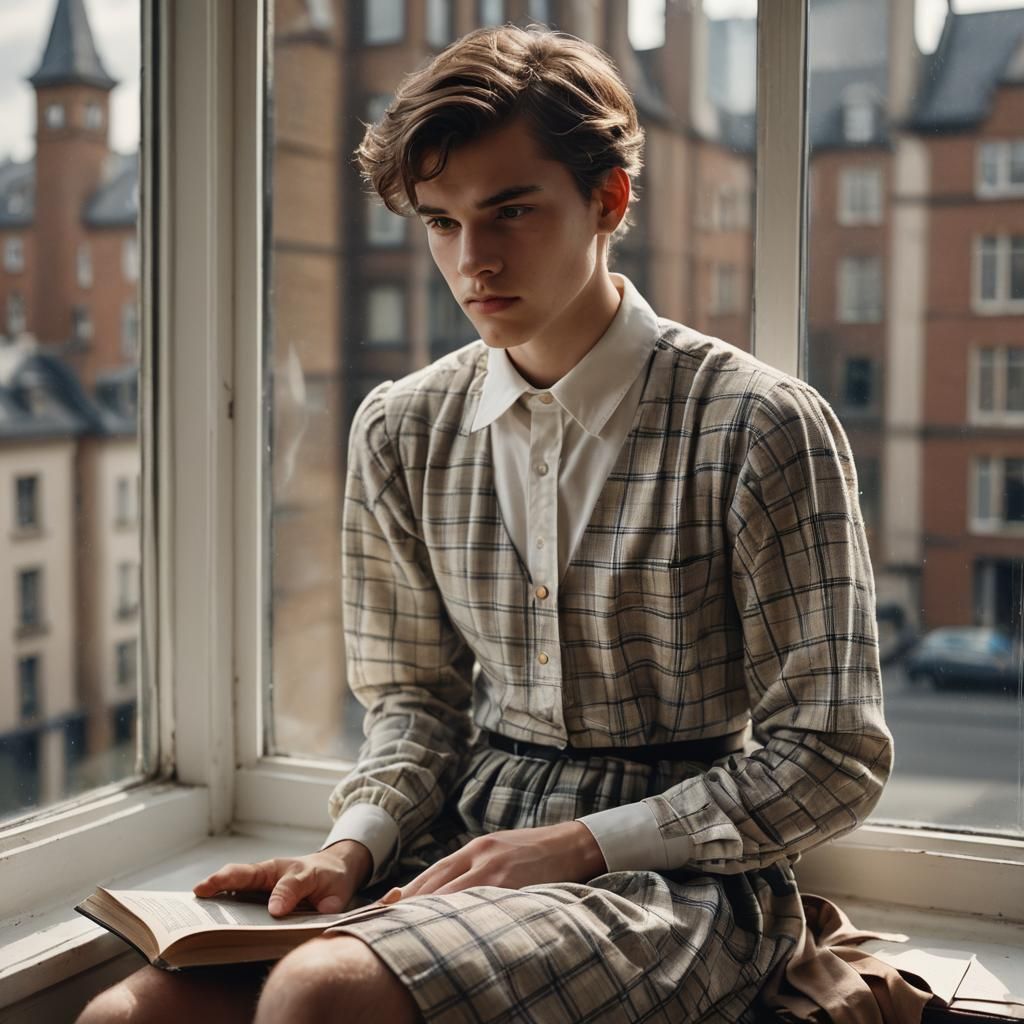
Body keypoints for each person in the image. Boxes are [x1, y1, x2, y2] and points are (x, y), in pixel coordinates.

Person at [78, 24, 893, 1024]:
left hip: (676, 876)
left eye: (511, 210)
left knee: (318, 994)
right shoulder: (401, 426)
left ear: (608, 198)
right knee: (130, 1016)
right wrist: (353, 847)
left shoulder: (758, 423)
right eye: (442, 221)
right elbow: (416, 705)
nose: (475, 259)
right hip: (465, 839)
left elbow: (830, 753)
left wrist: (579, 844)